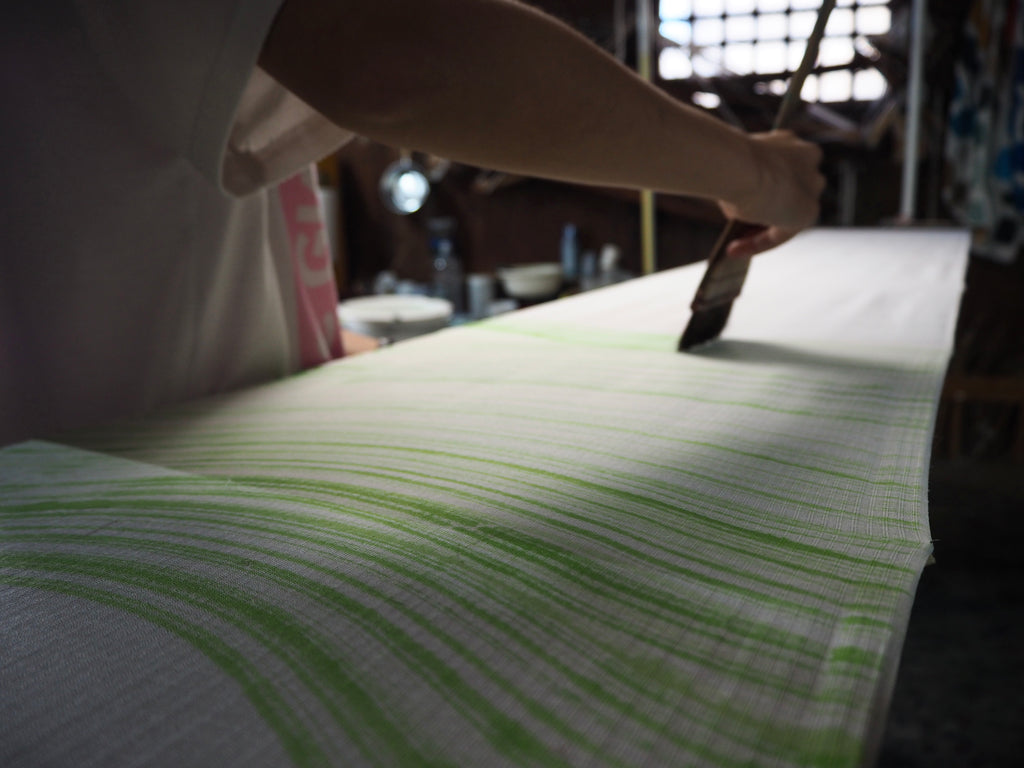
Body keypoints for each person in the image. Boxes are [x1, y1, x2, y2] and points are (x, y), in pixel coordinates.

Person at [0, 0, 824, 447]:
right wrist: (753, 171)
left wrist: (330, 350)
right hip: (72, 530)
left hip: (172, 471)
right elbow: (396, 53)